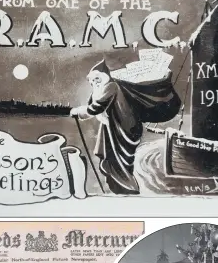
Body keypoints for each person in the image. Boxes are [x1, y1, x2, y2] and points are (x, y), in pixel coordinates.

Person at [70, 59, 180, 195]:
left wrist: (77, 111)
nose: (95, 83)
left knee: (120, 164)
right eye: (92, 81)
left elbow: (95, 108)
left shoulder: (111, 87)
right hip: (115, 130)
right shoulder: (100, 90)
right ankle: (121, 189)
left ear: (104, 77)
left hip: (123, 131)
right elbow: (95, 106)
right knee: (117, 164)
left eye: (97, 79)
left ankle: (128, 190)